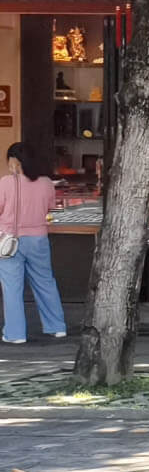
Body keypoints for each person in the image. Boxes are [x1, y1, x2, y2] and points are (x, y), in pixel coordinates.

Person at [0, 143, 67, 344]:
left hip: (9, 240)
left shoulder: (5, 183)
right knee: (45, 282)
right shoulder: (46, 183)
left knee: (12, 288)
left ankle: (16, 334)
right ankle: (57, 327)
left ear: (14, 160)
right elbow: (50, 209)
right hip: (38, 238)